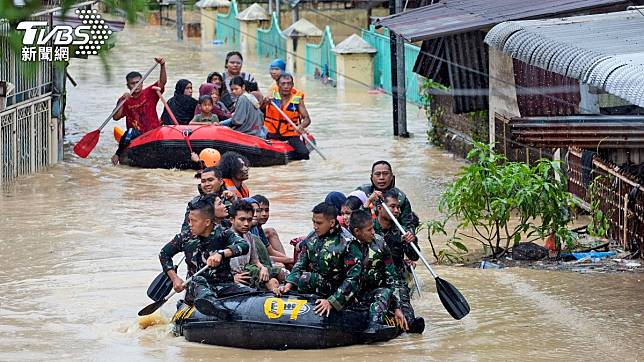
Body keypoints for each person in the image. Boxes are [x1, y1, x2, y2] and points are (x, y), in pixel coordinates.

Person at [158, 198, 249, 316]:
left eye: (193, 221)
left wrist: (222, 253)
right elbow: (164, 254)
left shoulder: (224, 233)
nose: (190, 224)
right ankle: (213, 308)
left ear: (207, 222)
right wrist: (175, 278)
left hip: (223, 285)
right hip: (195, 288)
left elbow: (243, 245)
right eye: (189, 220)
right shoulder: (185, 237)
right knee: (198, 280)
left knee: (250, 292)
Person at [279, 203, 363, 317]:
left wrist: (332, 301)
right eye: (313, 222)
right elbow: (300, 263)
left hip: (340, 289)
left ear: (332, 222)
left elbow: (353, 277)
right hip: (320, 284)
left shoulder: (348, 242)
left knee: (306, 278)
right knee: (303, 279)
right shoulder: (313, 237)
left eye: (319, 223)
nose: (315, 226)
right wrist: (288, 285)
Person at [349, 209, 408, 334]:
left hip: (369, 293)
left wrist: (396, 306)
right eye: (369, 230)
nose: (373, 232)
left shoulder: (380, 243)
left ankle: (375, 326)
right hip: (345, 294)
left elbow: (391, 276)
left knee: (386, 292)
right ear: (357, 232)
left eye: (373, 228)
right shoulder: (344, 245)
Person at [373, 190, 421, 330]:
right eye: (392, 206)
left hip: (396, 279)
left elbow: (414, 256)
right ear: (380, 208)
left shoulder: (403, 231)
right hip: (372, 276)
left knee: (404, 306)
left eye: (398, 207)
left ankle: (409, 323)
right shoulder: (369, 228)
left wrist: (410, 242)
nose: (397, 210)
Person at [111, 57, 167, 165]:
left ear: (142, 83)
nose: (136, 86)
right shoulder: (124, 100)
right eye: (132, 83)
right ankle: (118, 153)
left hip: (153, 133)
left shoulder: (150, 92)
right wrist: (122, 100)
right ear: (128, 85)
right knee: (131, 132)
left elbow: (162, 82)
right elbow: (116, 117)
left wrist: (162, 65)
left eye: (138, 82)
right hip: (137, 136)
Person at [228, 200, 281, 293]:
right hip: (233, 278)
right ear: (232, 220)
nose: (246, 224)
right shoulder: (224, 238)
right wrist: (232, 278)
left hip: (248, 273)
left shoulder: (248, 236)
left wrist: (263, 268)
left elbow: (255, 260)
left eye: (249, 220)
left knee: (276, 278)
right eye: (242, 219)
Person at [262, 73, 311, 160]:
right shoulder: (271, 95)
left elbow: (307, 119)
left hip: (289, 134)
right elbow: (260, 110)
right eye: (283, 83)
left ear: (292, 85)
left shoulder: (297, 99)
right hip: (271, 132)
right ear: (278, 84)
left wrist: (301, 126)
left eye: (289, 83)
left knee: (304, 153)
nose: (286, 86)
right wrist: (265, 102)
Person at [358, 160, 417, 232]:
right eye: (377, 174)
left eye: (385, 174)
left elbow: (409, 224)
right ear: (372, 177)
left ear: (392, 176)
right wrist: (368, 201)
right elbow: (353, 219)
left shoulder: (401, 198)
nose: (381, 177)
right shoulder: (361, 194)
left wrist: (409, 234)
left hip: (394, 235)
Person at [251, 194, 294, 268]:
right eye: (260, 210)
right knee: (281, 266)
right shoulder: (249, 228)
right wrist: (288, 260)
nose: (264, 214)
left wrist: (290, 259)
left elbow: (271, 251)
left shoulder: (259, 228)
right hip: (255, 262)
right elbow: (262, 257)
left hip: (262, 258)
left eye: (267, 210)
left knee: (289, 263)